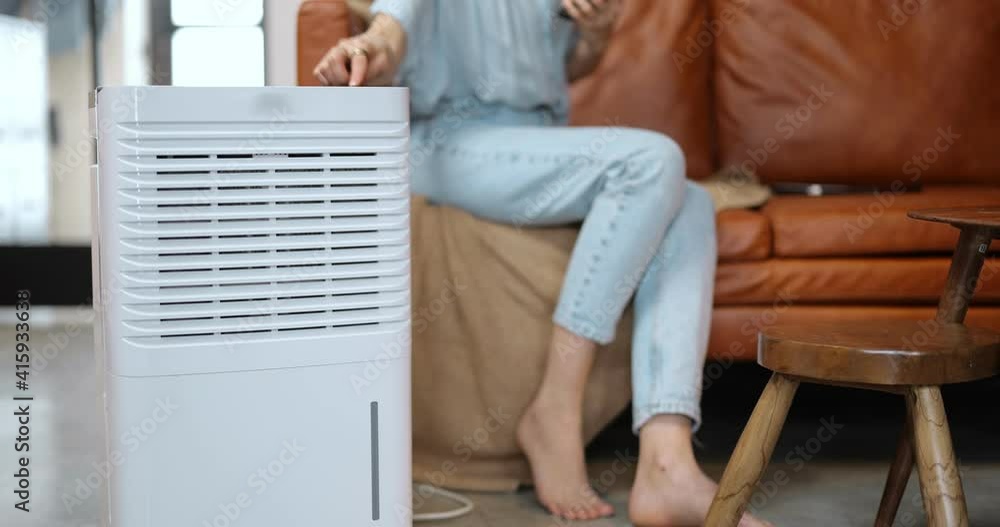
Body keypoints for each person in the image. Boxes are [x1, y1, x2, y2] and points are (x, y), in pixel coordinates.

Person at [314, 1, 771, 525]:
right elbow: (394, 31)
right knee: (653, 160)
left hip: (535, 142)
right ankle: (554, 409)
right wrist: (369, 47)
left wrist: (596, 31)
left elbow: (568, 66)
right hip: (446, 142)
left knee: (690, 202)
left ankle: (667, 462)